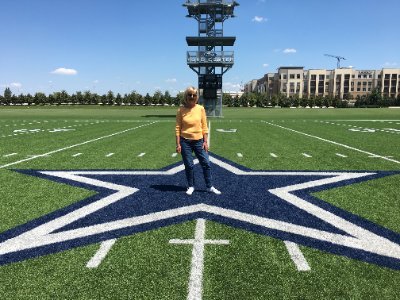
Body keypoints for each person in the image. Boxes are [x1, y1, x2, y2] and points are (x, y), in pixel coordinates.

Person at [175, 86, 221, 196]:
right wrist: (178, 144)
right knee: (189, 165)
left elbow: (204, 126)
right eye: (189, 94)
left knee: (206, 163)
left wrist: (205, 141)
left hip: (199, 141)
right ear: (186, 96)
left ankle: (209, 186)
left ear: (197, 97)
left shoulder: (200, 108)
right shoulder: (180, 110)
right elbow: (177, 127)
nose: (192, 96)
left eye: (194, 95)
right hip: (185, 141)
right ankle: (191, 186)